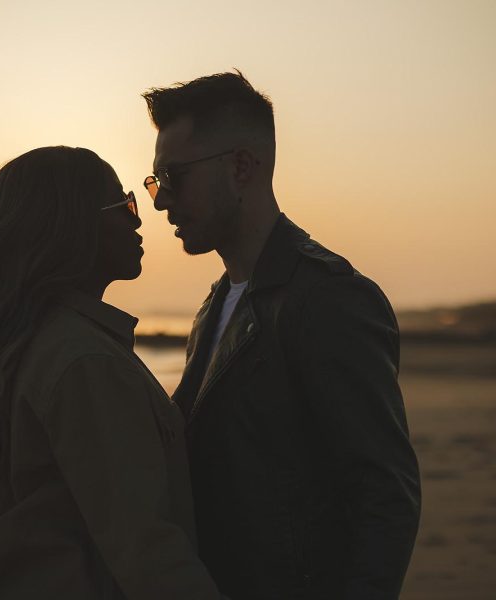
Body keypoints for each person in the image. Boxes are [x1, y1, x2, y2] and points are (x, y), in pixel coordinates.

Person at [142, 72, 422, 599]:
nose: (161, 202)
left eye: (174, 178)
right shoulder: (216, 304)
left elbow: (386, 494)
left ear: (241, 167)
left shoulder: (330, 299)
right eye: (155, 183)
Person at [0, 146, 223, 600]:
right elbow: (147, 551)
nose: (137, 219)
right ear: (70, 225)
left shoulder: (30, 343)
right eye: (123, 204)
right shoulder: (84, 362)